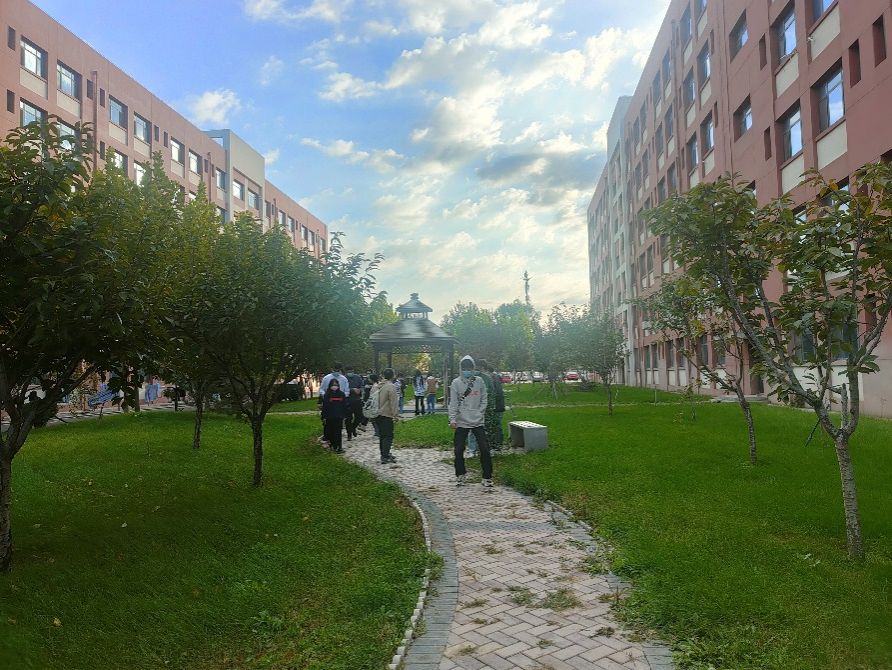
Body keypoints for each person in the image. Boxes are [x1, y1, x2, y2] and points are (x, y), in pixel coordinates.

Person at [448, 355, 493, 488]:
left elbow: (484, 398)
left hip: (477, 421)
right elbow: (453, 403)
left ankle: (487, 477)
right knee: (458, 449)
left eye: (469, 368)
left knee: (484, 448)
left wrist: (480, 412)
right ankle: (460, 475)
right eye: (464, 368)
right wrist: (452, 418)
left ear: (473, 368)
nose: (467, 370)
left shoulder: (479, 381)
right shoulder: (456, 383)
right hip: (462, 421)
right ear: (461, 369)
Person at [319, 363, 349, 444]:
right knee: (329, 425)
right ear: (332, 369)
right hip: (329, 403)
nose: (336, 371)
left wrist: (342, 396)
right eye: (335, 369)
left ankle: (338, 444)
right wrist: (325, 396)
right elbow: (322, 389)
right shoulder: (327, 378)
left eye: (338, 370)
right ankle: (329, 439)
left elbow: (347, 391)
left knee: (338, 427)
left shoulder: (343, 379)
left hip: (339, 404)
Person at [479, 360, 505, 450]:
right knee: (492, 426)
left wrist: (491, 405)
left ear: (483, 368)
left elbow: (495, 393)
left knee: (495, 425)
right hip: (494, 406)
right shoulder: (491, 377)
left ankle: (497, 445)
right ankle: (492, 445)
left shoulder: (491, 377)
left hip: (496, 406)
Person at [376, 368, 399, 464]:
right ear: (393, 375)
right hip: (386, 414)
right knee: (388, 435)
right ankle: (385, 456)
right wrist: (395, 415)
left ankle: (384, 453)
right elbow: (393, 402)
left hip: (376, 414)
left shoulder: (378, 385)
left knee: (382, 435)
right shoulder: (391, 386)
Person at [320, 378, 348, 454]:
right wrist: (323, 416)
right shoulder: (327, 395)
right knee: (331, 432)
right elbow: (325, 406)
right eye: (333, 385)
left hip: (339, 417)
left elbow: (345, 405)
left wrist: (345, 415)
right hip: (330, 417)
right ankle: (332, 445)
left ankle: (338, 447)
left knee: (338, 432)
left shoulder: (341, 394)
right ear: (330, 386)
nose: (334, 386)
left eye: (336, 385)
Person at [345, 365, 365, 440]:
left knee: (359, 416)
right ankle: (349, 434)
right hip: (347, 400)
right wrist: (352, 390)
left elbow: (362, 386)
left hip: (357, 400)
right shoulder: (344, 379)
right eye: (349, 372)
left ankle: (353, 428)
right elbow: (343, 389)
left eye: (352, 371)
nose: (351, 373)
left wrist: (360, 390)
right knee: (348, 418)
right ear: (346, 372)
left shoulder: (358, 377)